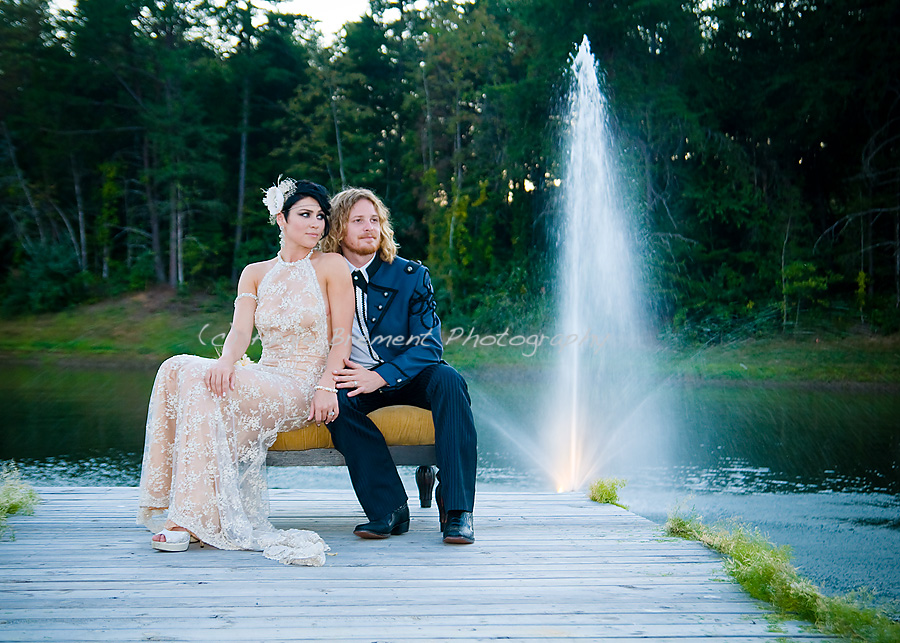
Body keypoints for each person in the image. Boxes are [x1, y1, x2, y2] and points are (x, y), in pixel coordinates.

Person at [136, 178, 353, 566]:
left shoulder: (331, 265)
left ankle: (182, 521)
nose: (316, 223)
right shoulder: (255, 272)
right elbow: (239, 333)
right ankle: (183, 509)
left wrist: (326, 385)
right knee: (177, 366)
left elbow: (341, 338)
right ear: (280, 219)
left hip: (303, 384)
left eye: (321, 216)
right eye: (305, 214)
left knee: (197, 380)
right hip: (266, 373)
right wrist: (225, 362)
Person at [321, 187, 477, 544]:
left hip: (408, 376)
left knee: (449, 380)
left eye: (374, 220)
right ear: (339, 229)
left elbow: (429, 345)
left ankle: (457, 510)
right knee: (336, 404)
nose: (369, 227)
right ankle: (389, 508)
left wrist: (381, 376)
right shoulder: (322, 276)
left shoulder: (411, 275)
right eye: (358, 221)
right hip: (352, 379)